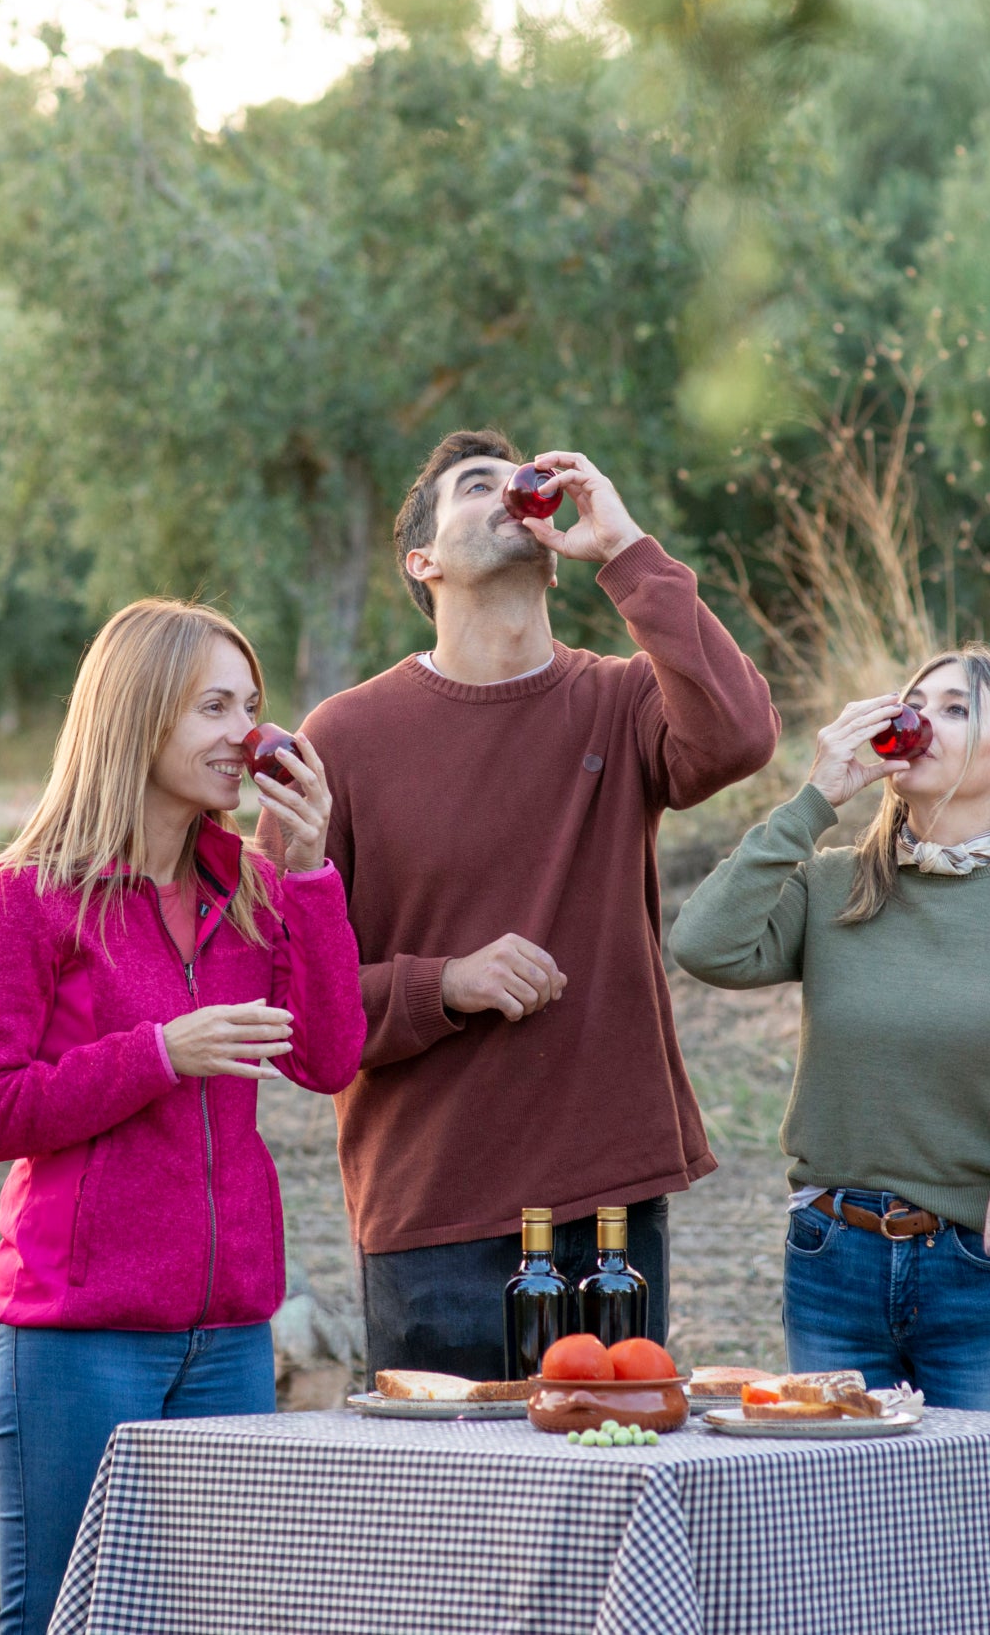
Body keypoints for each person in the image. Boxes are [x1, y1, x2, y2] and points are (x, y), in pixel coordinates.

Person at [269, 430, 778, 1379]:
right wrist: (443, 985)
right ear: (422, 562)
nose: (514, 491)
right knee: (454, 1476)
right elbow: (287, 997)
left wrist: (627, 552)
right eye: (477, 486)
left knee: (610, 1456)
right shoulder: (343, 737)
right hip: (434, 1212)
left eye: (523, 481)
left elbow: (742, 735)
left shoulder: (624, 699)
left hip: (611, 1199)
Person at [0, 599, 366, 1635]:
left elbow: (326, 1057)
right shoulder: (24, 899)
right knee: (69, 1615)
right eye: (213, 707)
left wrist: (311, 870)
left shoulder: (252, 889)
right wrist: (158, 1054)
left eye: (250, 706)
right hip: (79, 1340)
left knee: (214, 1619)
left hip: (231, 1336)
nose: (246, 733)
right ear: (136, 716)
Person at [671, 645, 990, 1409]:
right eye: (914, 703)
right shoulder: (834, 884)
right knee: (844, 1488)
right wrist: (816, 797)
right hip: (833, 1260)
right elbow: (703, 944)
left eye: (956, 708)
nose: (921, 718)